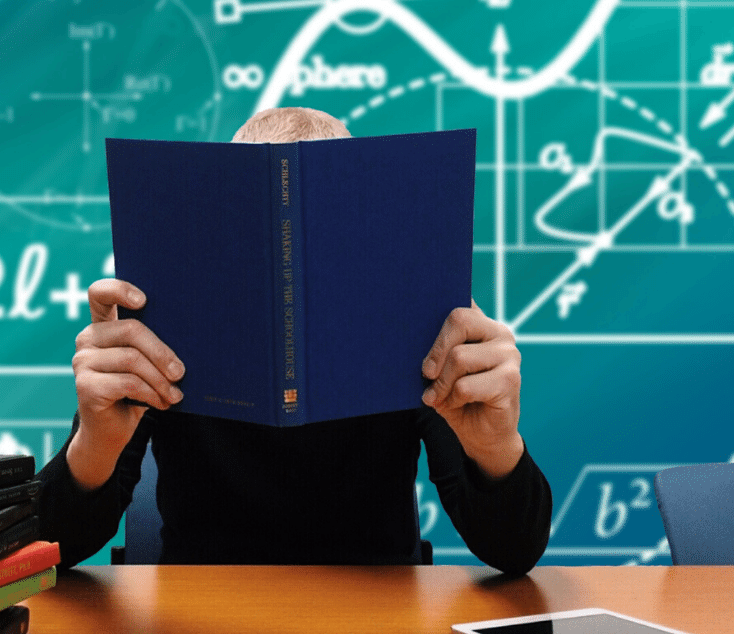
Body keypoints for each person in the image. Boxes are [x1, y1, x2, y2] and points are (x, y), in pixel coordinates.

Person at [37, 107, 551, 574]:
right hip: (198, 633)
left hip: (379, 630)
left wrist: (495, 447)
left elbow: (514, 550)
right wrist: (95, 446)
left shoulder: (416, 322)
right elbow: (52, 547)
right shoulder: (158, 318)